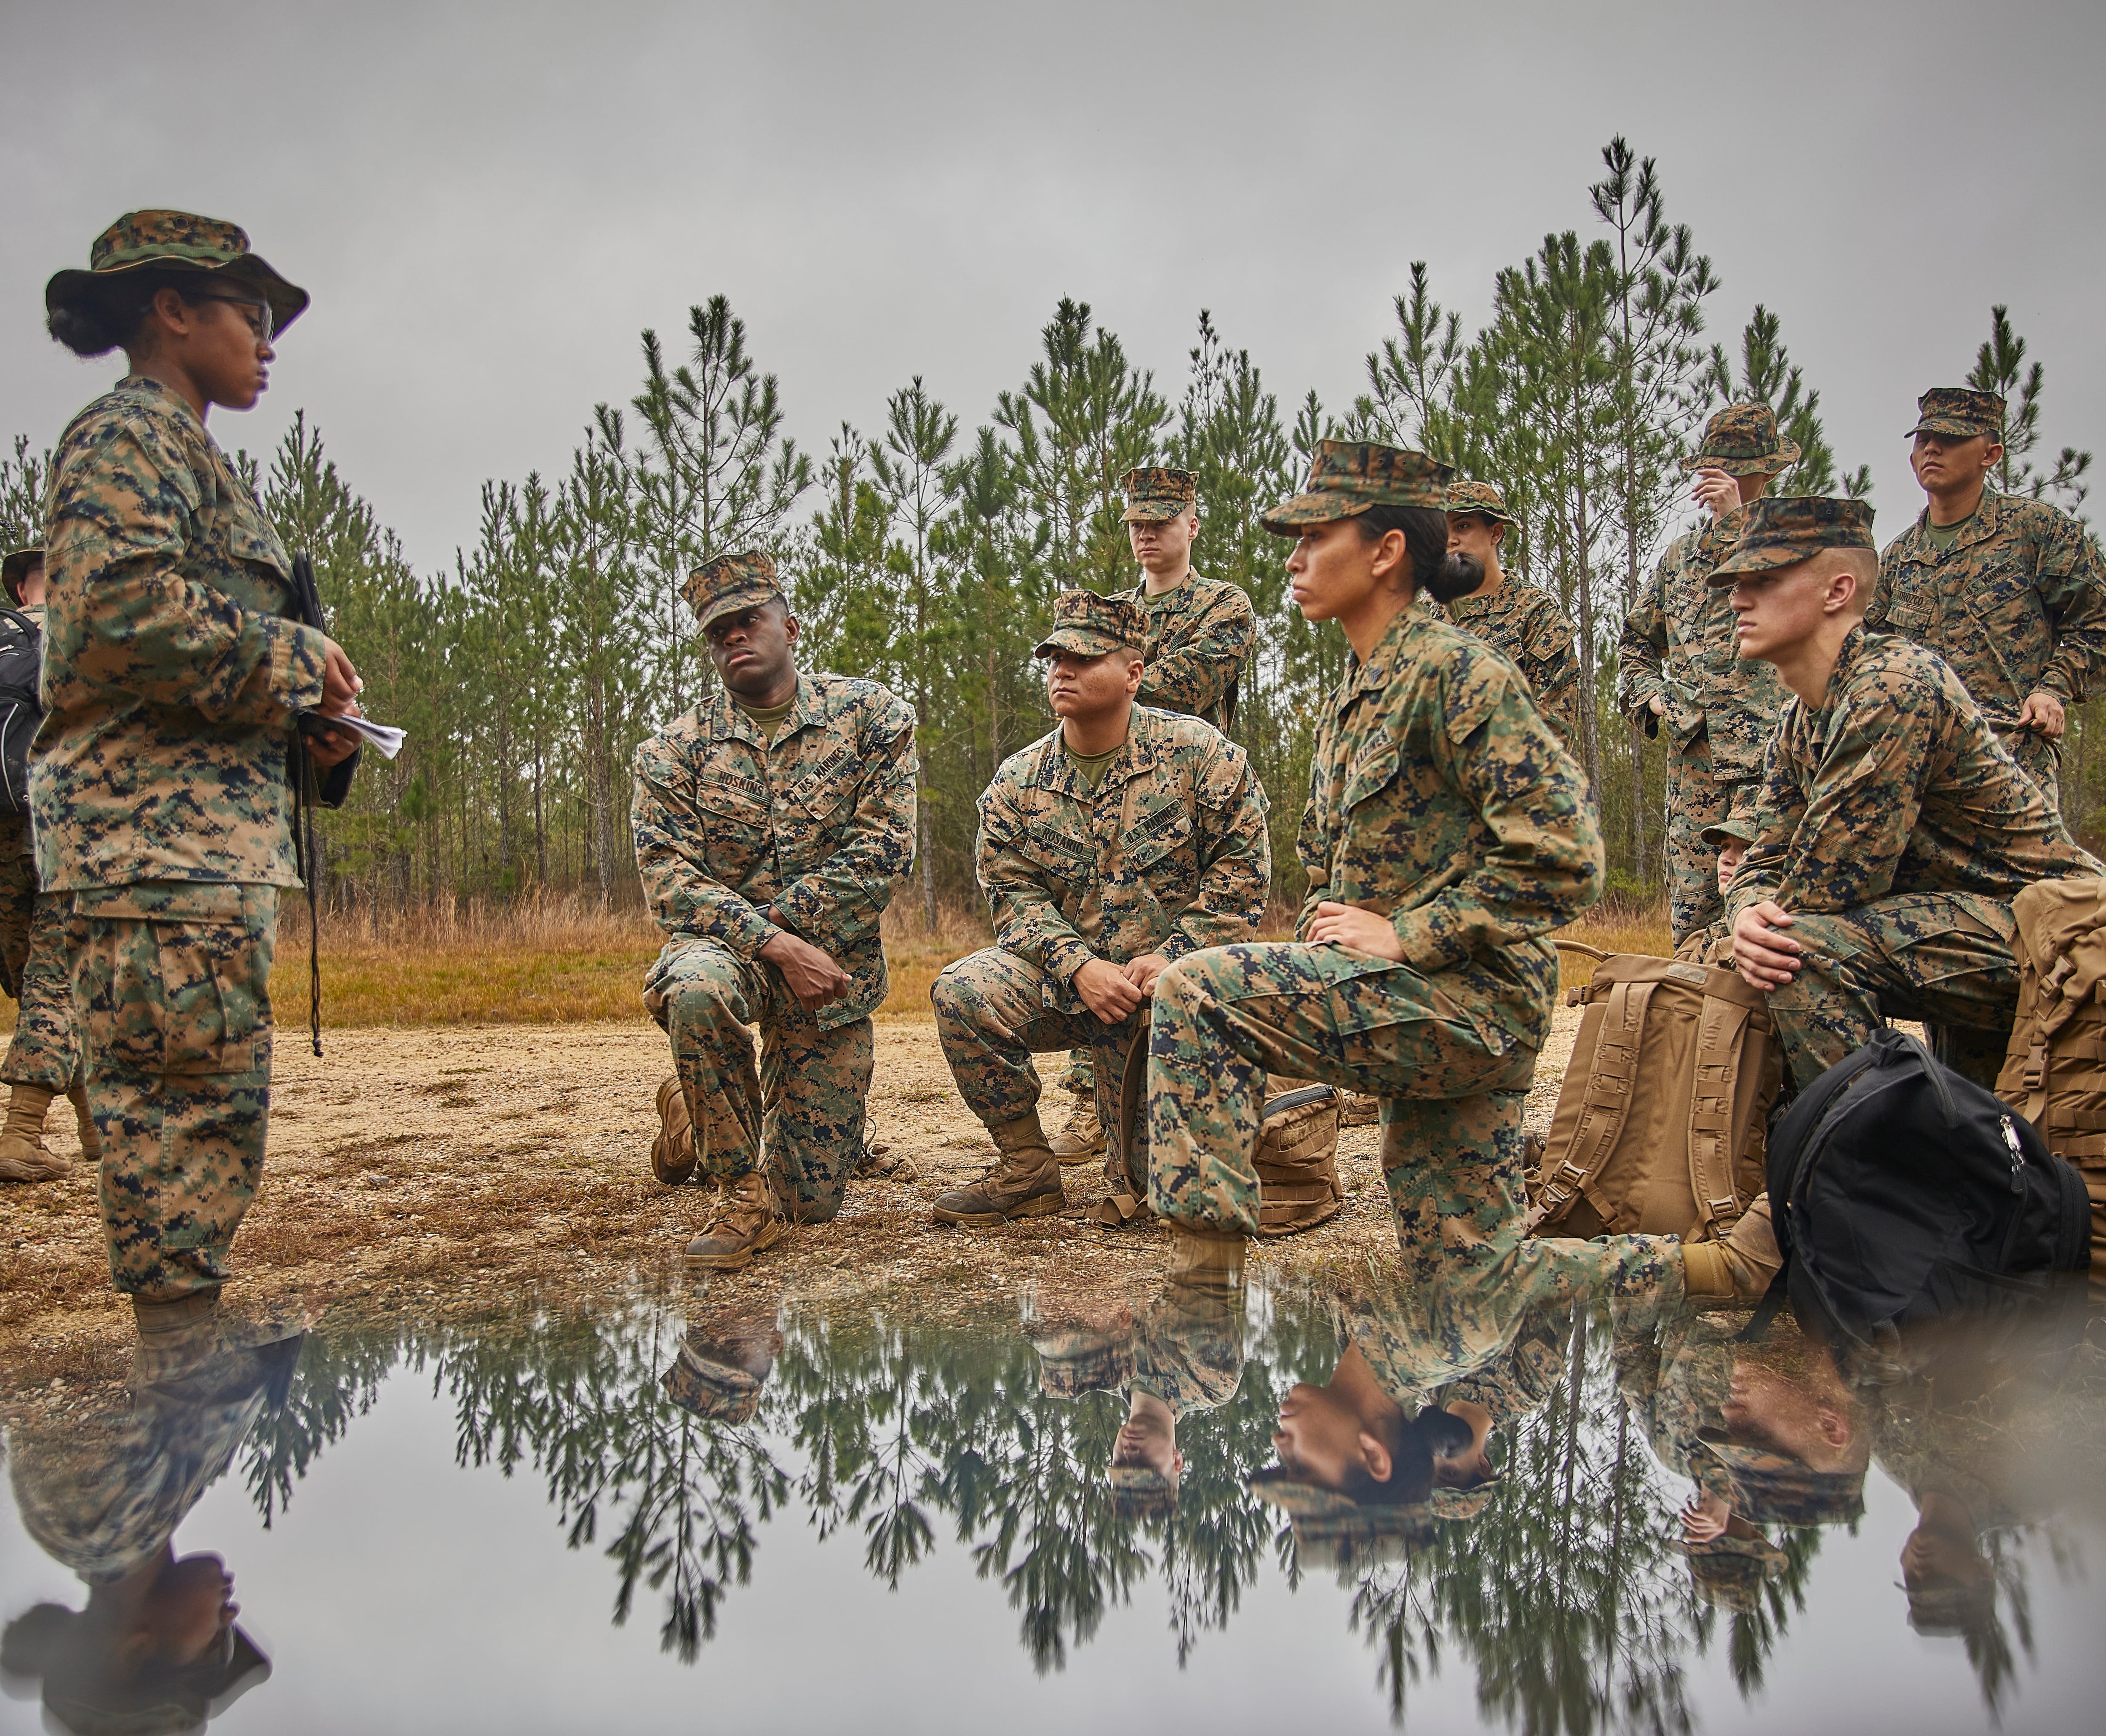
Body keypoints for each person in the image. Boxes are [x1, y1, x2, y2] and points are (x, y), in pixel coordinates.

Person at [1140, 440, 1613, 1287]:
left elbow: (1568, 857)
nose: (1293, 558)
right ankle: (1709, 1270)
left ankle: (1196, 1306)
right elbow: (1332, 869)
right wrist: (1330, 935)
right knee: (1468, 1279)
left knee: (1197, 990)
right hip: (1417, 1002)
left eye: (1315, 537)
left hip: (1471, 1005)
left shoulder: (1456, 673)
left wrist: (1409, 932)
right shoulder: (1355, 694)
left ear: (1386, 551)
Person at [40, 211, 364, 1375]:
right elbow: (114, 615)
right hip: (148, 842)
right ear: (173, 311)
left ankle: (188, 1333)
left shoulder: (189, 450)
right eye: (251, 314)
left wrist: (311, 728)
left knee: (213, 1093)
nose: (268, 341)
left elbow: (188, 648)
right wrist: (290, 661)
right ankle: (175, 1357)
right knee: (171, 1104)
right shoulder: (127, 437)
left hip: (200, 842)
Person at [1718, 496, 2099, 1090]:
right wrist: (1745, 911)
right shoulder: (1803, 719)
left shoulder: (1892, 686)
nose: (1738, 598)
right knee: (1766, 944)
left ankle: (1877, 1169)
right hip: (1968, 933)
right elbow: (1763, 857)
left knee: (1799, 951)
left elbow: (1831, 886)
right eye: (1735, 582)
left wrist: (1759, 925)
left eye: (1763, 580)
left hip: (2062, 942)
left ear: (1838, 591)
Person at [929, 589, 1268, 1226]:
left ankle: (1157, 1149)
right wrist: (1078, 966)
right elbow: (1014, 898)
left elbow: (1242, 881)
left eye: (1084, 657)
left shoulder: (1202, 757)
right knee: (963, 990)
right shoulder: (1017, 782)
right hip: (1072, 986)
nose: (1064, 669)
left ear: (1134, 673)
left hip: (1175, 992)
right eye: (1056, 656)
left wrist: (1170, 957)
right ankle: (1028, 1169)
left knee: (1155, 1195)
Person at [634, 550, 916, 1271]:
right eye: (716, 631)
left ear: (791, 626)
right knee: (697, 987)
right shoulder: (672, 750)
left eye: (747, 621)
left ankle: (691, 1107)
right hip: (730, 955)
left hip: (834, 973)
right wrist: (774, 945)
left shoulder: (872, 718)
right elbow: (670, 881)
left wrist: (793, 936)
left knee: (814, 1203)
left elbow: (885, 850)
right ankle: (737, 1191)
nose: (731, 637)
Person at [1044, 467, 1260, 1167]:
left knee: (1185, 942)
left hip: (1190, 794)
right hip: (1114, 791)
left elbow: (1189, 685)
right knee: (1099, 929)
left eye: (1161, 522)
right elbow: (1095, 697)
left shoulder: (1223, 606)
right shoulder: (1111, 607)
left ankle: (1189, 1092)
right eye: (1137, 521)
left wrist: (1112, 675)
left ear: (1192, 525)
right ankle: (1093, 1095)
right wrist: (1103, 675)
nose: (1147, 533)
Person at [1868, 386, 2106, 812]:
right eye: (1923, 440)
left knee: (2027, 883)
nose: (1932, 449)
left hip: (2009, 764)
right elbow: (1868, 661)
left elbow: (2097, 621)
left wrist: (2054, 690)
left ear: (1990, 454)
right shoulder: (1897, 558)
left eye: (1952, 438)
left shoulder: (2035, 531)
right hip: (1914, 776)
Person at [1618, 405, 1797, 945]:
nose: (1717, 480)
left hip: (1772, 763)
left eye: (1733, 469)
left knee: (1767, 910)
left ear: (1766, 473)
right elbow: (1633, 645)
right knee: (1694, 917)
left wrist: (1737, 522)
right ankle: (1696, 1029)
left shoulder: (1792, 545)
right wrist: (1651, 699)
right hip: (1695, 767)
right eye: (1711, 468)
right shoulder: (1679, 560)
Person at [0, 543, 95, 1182]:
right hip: (62, 820)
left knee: (31, 976)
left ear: (18, 590)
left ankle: (95, 1127)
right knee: (57, 978)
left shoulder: (3, 639)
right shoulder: (88, 636)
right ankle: (21, 1134)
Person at [1439, 480, 1582, 747]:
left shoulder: (1536, 614)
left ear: (1495, 534)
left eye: (1463, 526)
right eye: (1441, 529)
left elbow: (1552, 728)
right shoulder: (1420, 617)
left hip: (1505, 783)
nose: (1450, 539)